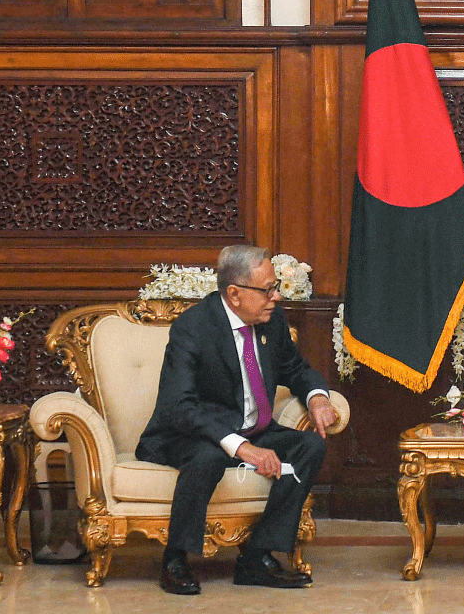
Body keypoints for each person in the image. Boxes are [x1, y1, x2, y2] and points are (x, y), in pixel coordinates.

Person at [136, 245, 339, 595]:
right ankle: (175, 559)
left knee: (308, 445)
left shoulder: (270, 320)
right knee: (210, 455)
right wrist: (241, 447)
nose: (275, 297)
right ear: (234, 293)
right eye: (266, 290)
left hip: (251, 427)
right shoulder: (193, 328)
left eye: (276, 287)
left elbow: (296, 369)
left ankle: (257, 557)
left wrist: (318, 398)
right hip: (190, 433)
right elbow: (178, 406)